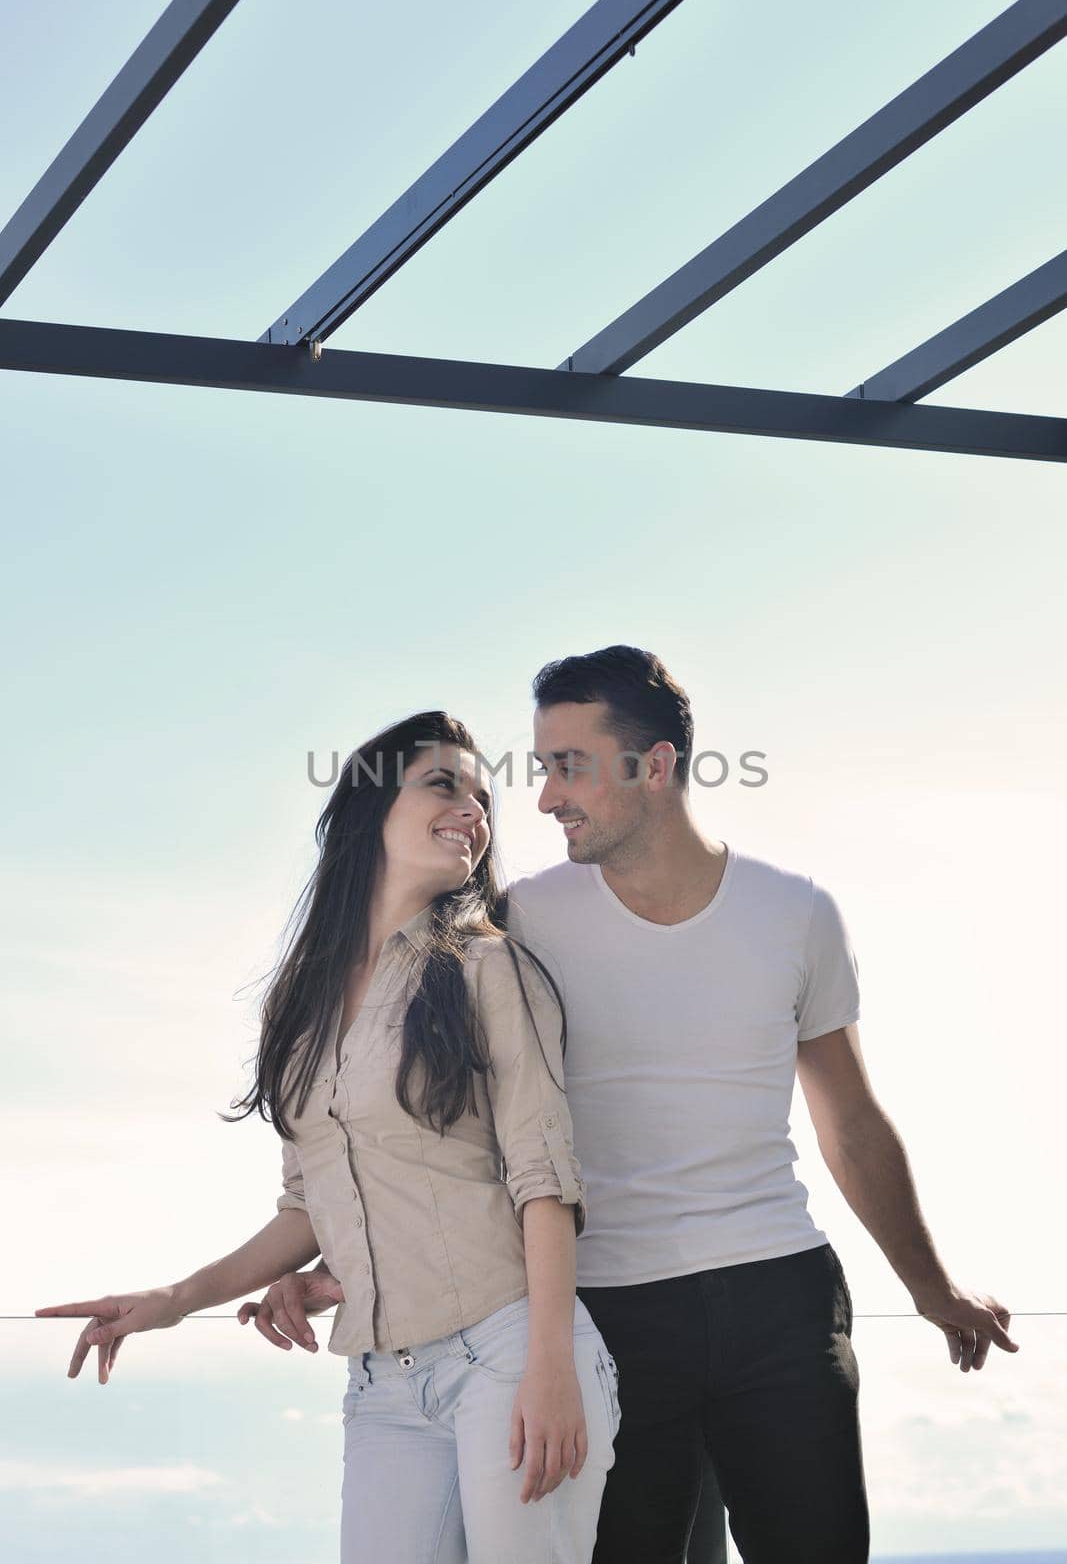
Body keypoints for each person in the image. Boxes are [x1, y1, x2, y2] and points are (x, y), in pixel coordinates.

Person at [244, 648, 1020, 1564]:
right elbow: (437, 1118)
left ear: (653, 767)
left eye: (566, 766)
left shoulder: (795, 913)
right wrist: (345, 1254)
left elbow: (849, 1123)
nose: (541, 799)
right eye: (538, 770)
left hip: (776, 1294)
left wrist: (931, 1288)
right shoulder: (519, 923)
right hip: (604, 1314)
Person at [34, 710, 622, 1564]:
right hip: (380, 1381)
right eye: (442, 784)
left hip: (510, 1351)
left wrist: (551, 1367)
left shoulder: (487, 968)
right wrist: (170, 1301)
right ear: (367, 811)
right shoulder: (299, 1004)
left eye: (482, 798)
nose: (473, 811)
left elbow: (544, 1179)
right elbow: (308, 1204)